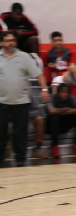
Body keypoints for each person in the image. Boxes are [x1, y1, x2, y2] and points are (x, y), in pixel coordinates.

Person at [0, 31, 49, 167]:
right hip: (1, 101)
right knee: (1, 132)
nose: (11, 43)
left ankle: (20, 158)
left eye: (13, 40)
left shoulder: (24, 57)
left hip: (21, 101)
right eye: (8, 40)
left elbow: (39, 75)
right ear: (1, 43)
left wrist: (44, 90)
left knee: (20, 132)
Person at [46, 83, 76, 159]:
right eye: (62, 92)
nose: (64, 94)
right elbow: (51, 110)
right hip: (51, 126)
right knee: (54, 117)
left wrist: (66, 111)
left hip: (65, 124)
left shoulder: (71, 98)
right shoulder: (52, 97)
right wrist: (63, 110)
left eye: (66, 92)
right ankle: (55, 147)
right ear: (58, 92)